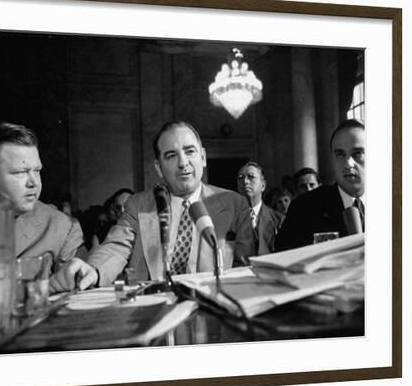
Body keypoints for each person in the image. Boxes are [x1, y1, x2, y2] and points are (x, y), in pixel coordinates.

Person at [48, 121, 255, 291]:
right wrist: (93, 269)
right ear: (158, 167)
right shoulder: (139, 205)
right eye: (171, 155)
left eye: (190, 151)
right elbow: (117, 247)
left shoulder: (235, 204)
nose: (183, 163)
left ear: (203, 157)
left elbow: (245, 268)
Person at [0, 122, 86, 284]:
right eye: (21, 172)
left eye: (37, 171)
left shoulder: (62, 227)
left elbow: (78, 297)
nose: (34, 183)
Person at [276, 120, 365, 251]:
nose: (348, 164)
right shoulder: (303, 208)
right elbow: (282, 261)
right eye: (340, 154)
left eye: (357, 153)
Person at [237, 162, 283, 254]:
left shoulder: (278, 220)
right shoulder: (229, 220)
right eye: (241, 178)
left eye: (251, 177)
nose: (245, 181)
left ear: (263, 186)